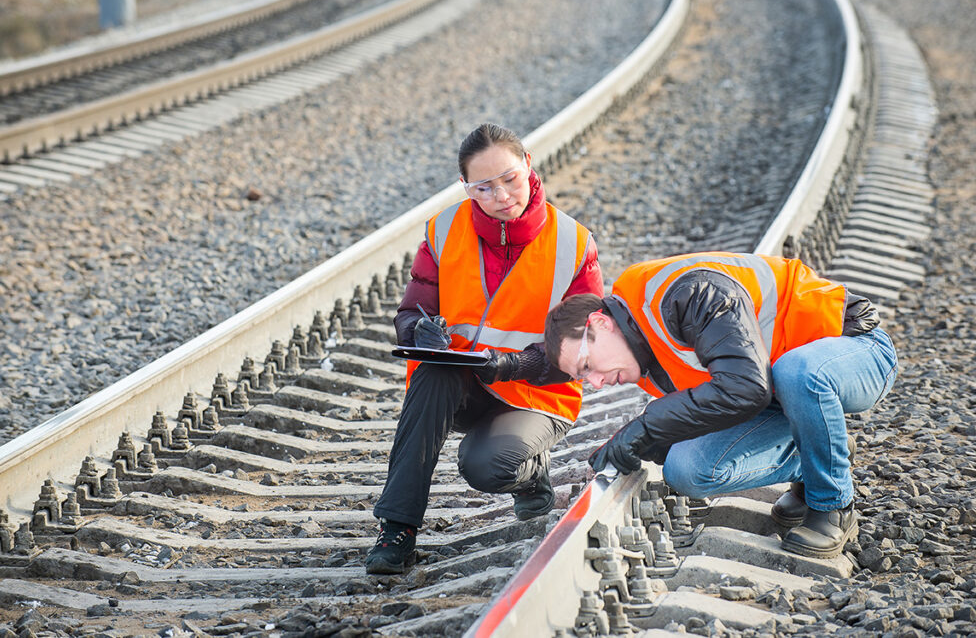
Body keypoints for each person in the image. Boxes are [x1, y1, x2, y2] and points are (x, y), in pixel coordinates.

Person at [543, 251, 897, 558]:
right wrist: (651, 442)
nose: (596, 382)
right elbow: (719, 401)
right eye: (582, 377)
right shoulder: (642, 348)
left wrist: (646, 426)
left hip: (854, 348)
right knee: (686, 469)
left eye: (587, 366)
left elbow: (744, 388)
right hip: (777, 393)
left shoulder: (690, 294)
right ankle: (817, 458)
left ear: (601, 324)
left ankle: (834, 505)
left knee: (795, 371)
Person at [364, 124, 604, 574]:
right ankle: (397, 529)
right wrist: (420, 333)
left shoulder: (572, 243)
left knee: (486, 467)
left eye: (510, 178)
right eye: (484, 187)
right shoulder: (444, 229)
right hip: (461, 385)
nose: (501, 195)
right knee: (431, 372)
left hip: (536, 394)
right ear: (466, 187)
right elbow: (411, 310)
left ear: (528, 165)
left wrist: (512, 364)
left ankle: (532, 475)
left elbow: (584, 346)